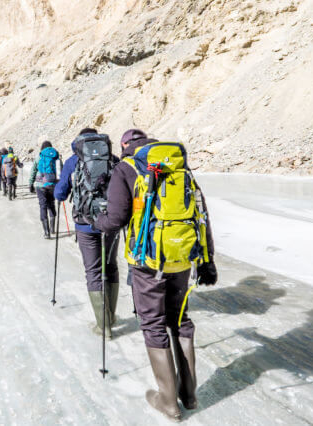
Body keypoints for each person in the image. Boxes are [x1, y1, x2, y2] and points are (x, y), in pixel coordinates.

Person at [95, 129, 217, 420]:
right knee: (180, 319)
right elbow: (201, 212)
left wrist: (98, 221)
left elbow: (116, 218)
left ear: (125, 145)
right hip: (182, 257)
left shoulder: (126, 168)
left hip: (147, 261)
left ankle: (168, 401)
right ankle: (189, 395)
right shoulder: (177, 163)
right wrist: (207, 260)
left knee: (153, 324)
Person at [54, 128, 120, 337]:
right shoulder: (112, 159)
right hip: (110, 222)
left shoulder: (73, 161)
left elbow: (60, 193)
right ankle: (111, 316)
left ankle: (104, 326)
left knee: (93, 271)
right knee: (111, 266)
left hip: (85, 225)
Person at [28, 141, 60, 238]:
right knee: (51, 204)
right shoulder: (56, 157)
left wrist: (31, 183)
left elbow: (33, 170)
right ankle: (53, 229)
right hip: (52, 185)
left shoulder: (39, 157)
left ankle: (47, 233)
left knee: (43, 206)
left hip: (40, 185)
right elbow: (60, 172)